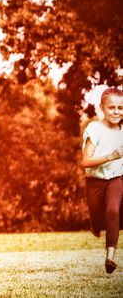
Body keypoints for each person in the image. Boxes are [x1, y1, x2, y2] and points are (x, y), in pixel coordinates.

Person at [80, 87, 123, 274]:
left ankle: (110, 257)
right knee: (97, 220)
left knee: (113, 211)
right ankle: (95, 225)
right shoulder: (94, 129)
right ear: (102, 108)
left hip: (115, 179)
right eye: (111, 108)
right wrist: (111, 155)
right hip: (94, 182)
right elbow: (86, 161)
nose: (116, 112)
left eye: (120, 108)